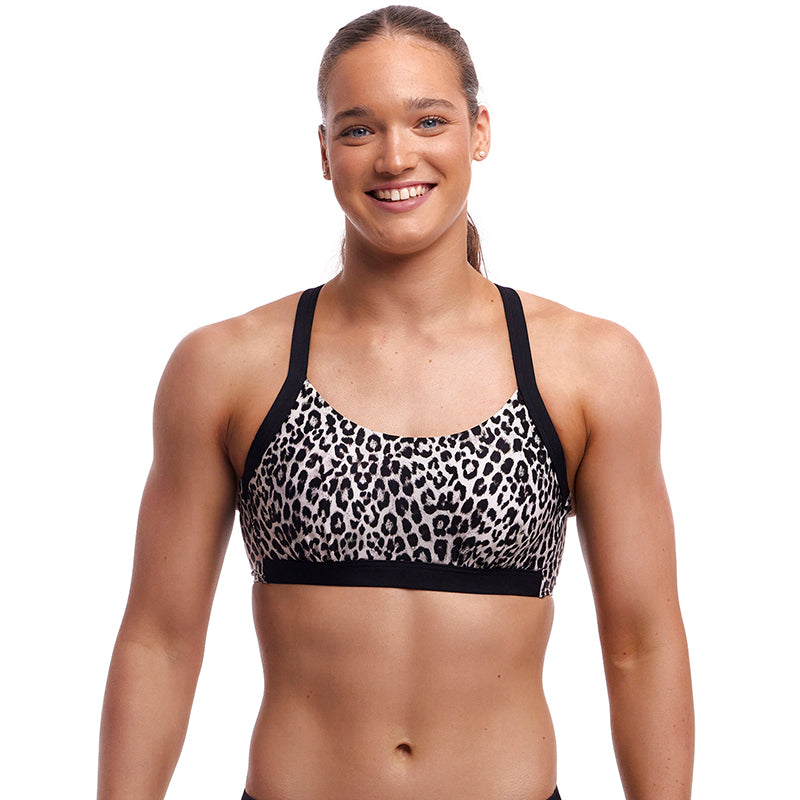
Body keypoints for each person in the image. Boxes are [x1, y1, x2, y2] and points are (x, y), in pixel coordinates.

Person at [98, 6, 694, 799]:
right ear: (324, 151)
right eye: (358, 129)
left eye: (429, 120)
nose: (395, 155)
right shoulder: (225, 367)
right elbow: (159, 643)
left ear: (479, 132)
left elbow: (642, 644)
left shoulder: (590, 366)